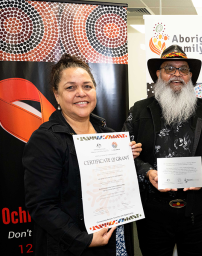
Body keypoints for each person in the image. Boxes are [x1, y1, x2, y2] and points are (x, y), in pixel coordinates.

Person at [23, 54, 142, 256]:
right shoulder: (45, 140)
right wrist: (83, 240)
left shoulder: (109, 136)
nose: (81, 93)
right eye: (70, 87)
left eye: (87, 86)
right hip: (73, 246)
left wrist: (125, 162)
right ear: (57, 95)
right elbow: (42, 206)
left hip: (116, 240)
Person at [123, 44, 202, 256]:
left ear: (190, 75)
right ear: (158, 74)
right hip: (152, 212)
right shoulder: (138, 111)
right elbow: (123, 155)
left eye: (183, 69)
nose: (177, 74)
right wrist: (146, 172)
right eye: (169, 68)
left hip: (198, 211)